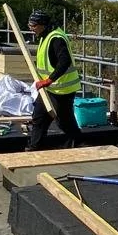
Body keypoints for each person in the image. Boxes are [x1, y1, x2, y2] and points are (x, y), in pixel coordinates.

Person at [26, 11, 81, 150]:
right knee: (39, 116)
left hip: (62, 89)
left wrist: (49, 80)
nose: (30, 27)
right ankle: (34, 147)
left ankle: (78, 144)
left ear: (43, 25)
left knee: (64, 121)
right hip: (49, 89)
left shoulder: (56, 38)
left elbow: (65, 61)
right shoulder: (45, 36)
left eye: (33, 25)